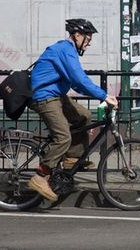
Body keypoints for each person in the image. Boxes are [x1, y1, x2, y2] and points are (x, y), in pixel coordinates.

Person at [27, 18, 119, 202]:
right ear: (77, 35)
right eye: (88, 37)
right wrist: (104, 96)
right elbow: (79, 79)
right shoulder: (64, 50)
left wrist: (100, 95)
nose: (90, 41)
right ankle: (40, 176)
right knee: (63, 137)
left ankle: (71, 157)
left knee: (84, 116)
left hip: (56, 95)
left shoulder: (68, 51)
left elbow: (78, 83)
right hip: (44, 97)